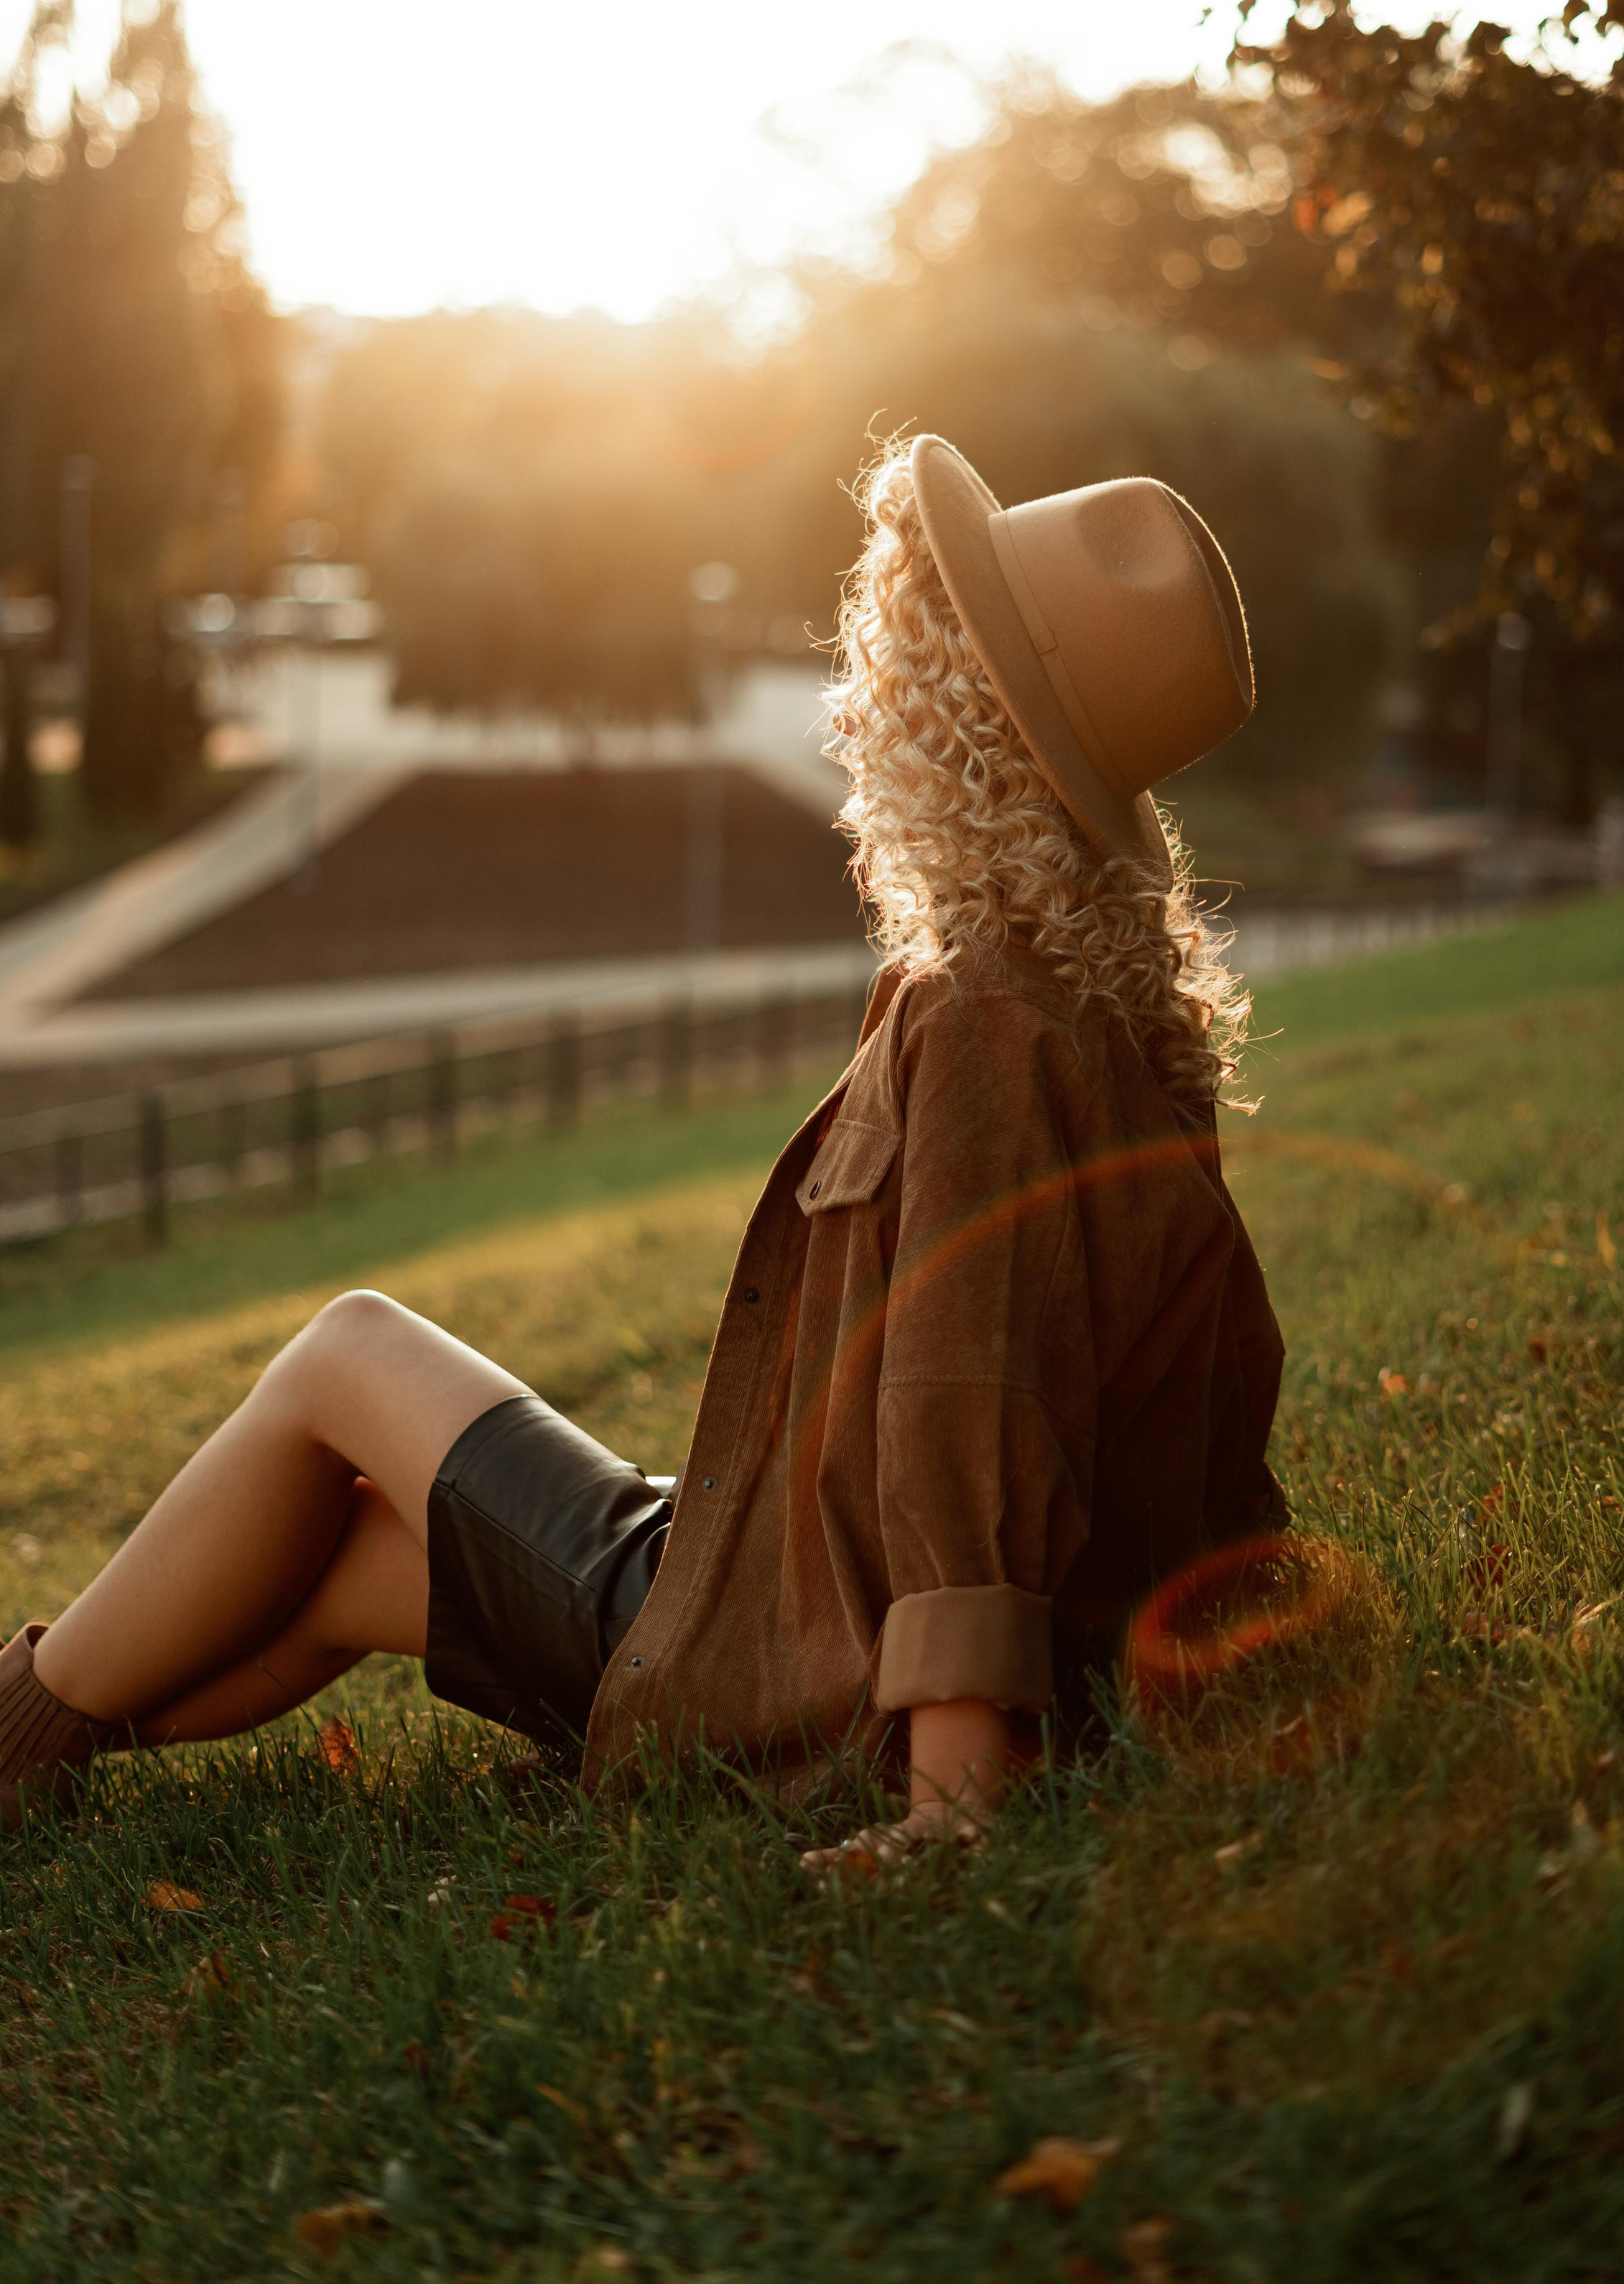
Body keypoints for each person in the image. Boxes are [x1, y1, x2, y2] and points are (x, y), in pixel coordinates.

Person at [1, 437, 1286, 1864]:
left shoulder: (989, 1011)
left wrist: (956, 1795)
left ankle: (18, 1731)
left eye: (900, 663)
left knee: (347, 1350)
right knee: (341, 1556)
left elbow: (967, 1397)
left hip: (805, 1666)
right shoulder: (1114, 1004)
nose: (860, 699)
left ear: (953, 710)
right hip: (788, 1580)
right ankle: (44, 1762)